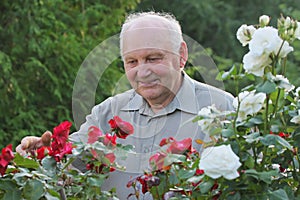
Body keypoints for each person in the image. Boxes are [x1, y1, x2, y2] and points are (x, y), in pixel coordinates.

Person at [17, 11, 234, 199]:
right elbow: (68, 165)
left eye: (152, 58)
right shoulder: (107, 113)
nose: (142, 72)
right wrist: (40, 154)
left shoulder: (224, 109)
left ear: (181, 55)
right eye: (132, 61)